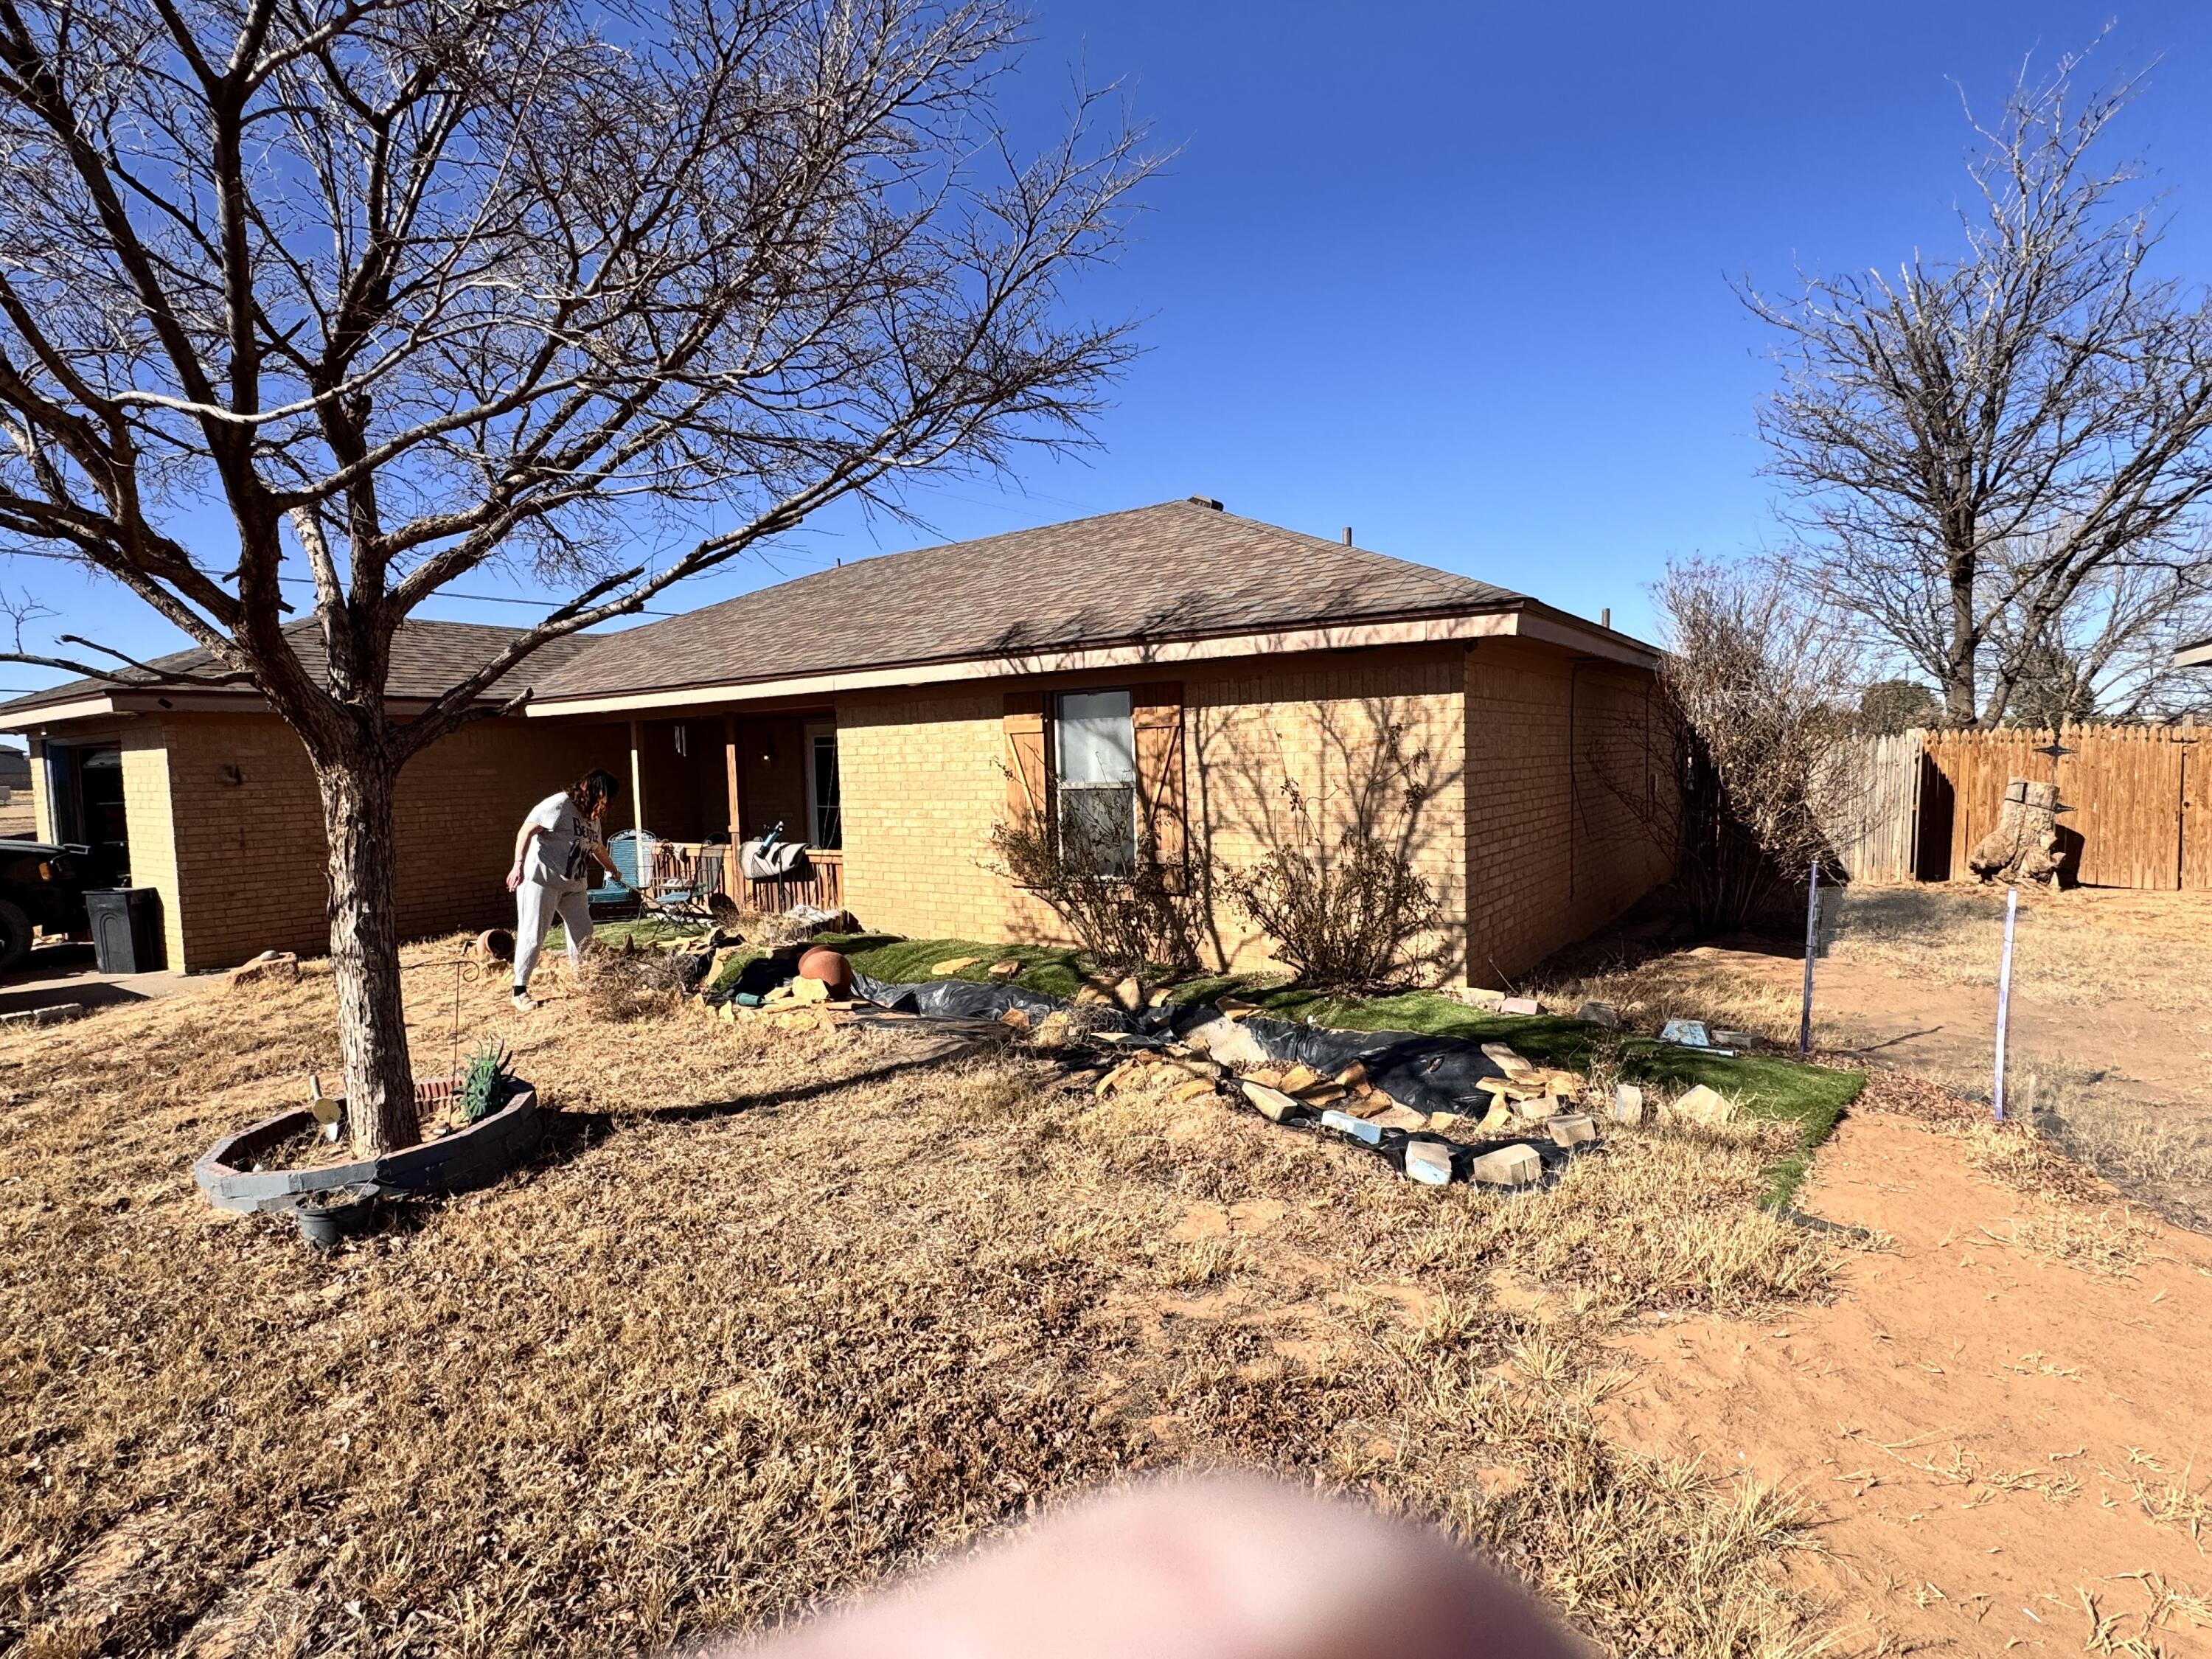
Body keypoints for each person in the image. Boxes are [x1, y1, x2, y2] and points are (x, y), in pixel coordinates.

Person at [504, 768, 624, 1012]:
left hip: (574, 885)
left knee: (583, 933)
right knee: (534, 933)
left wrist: (613, 869)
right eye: (607, 797)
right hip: (542, 880)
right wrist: (518, 866)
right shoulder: (559, 805)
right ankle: (519, 990)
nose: (608, 804)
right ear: (597, 792)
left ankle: (584, 982)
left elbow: (597, 847)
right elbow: (526, 830)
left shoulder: (592, 818)